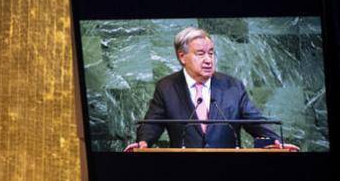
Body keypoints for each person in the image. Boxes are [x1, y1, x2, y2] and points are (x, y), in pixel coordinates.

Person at [127, 27, 297, 151]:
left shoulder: (233, 86)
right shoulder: (167, 87)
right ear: (182, 56)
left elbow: (255, 121)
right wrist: (143, 142)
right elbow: (153, 123)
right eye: (201, 54)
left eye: (211, 53)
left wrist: (277, 141)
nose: (208, 60)